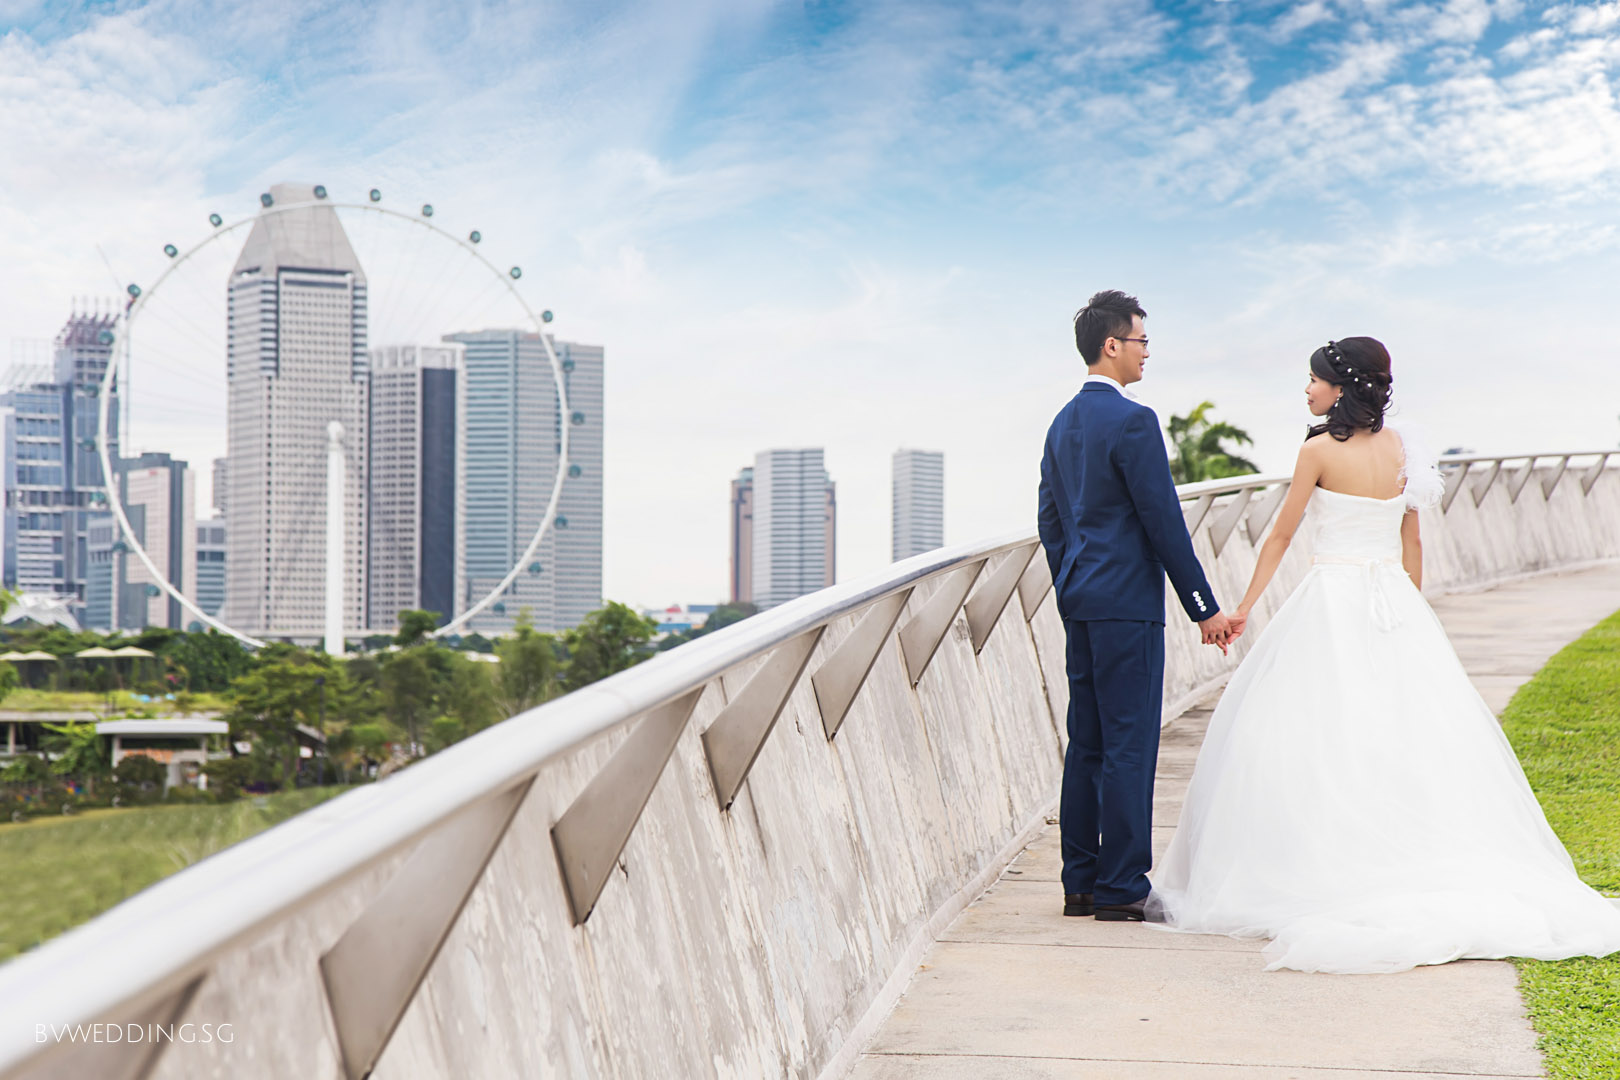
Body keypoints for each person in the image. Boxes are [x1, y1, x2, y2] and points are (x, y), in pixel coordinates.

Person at [1152, 336, 1620, 972]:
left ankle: (1328, 861)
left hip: (1333, 598)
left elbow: (1283, 534)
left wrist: (1242, 607)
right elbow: (1412, 541)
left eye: (1314, 380)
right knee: (1402, 732)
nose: (1308, 390)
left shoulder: (1317, 450)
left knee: (1318, 733)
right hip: (1393, 602)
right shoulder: (1402, 449)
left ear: (1340, 387)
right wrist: (1412, 610)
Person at [1038, 289, 1234, 923]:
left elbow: (1049, 521)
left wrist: (1070, 581)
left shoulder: (1061, 423)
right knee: (1129, 743)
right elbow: (1162, 522)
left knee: (1087, 744)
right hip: (1127, 604)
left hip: (1081, 601)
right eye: (1142, 341)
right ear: (1111, 345)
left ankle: (1081, 884)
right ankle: (1122, 887)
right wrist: (1202, 605)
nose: (1148, 353)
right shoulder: (1134, 420)